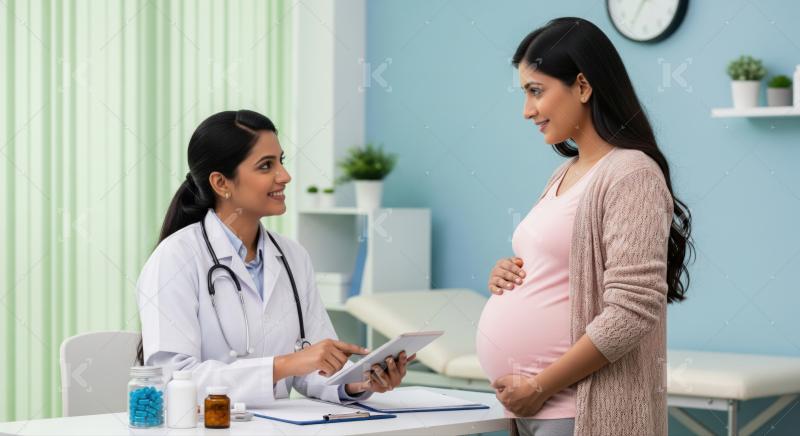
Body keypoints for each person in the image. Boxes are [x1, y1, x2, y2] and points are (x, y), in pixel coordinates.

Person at [476, 17, 694, 436]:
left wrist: (540, 386)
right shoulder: (565, 174)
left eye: (536, 91)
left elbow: (632, 311)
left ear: (582, 85)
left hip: (579, 408)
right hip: (536, 406)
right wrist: (510, 273)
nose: (527, 111)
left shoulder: (631, 174)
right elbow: (564, 268)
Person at [136, 110, 413, 407]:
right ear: (221, 183)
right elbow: (172, 380)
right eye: (266, 166)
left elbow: (314, 367)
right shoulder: (176, 258)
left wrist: (360, 382)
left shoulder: (293, 257)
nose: (284, 176)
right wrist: (284, 365)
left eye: (281, 161)